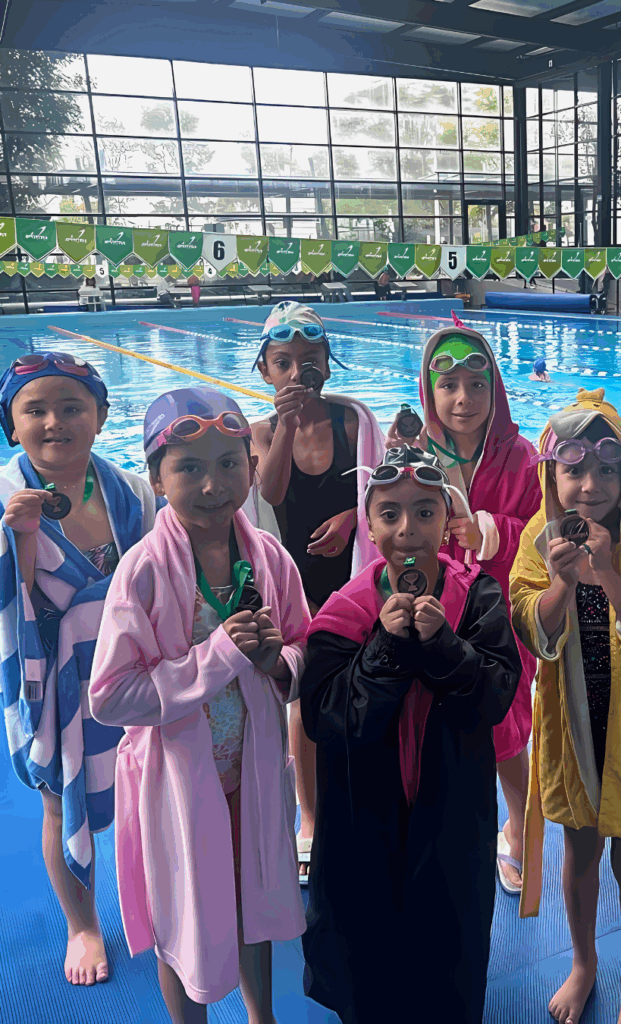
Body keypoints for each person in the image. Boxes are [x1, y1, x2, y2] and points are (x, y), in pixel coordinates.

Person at [89, 388, 309, 1024]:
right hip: (177, 785)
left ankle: (262, 1017)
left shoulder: (270, 558)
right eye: (189, 467)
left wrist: (277, 662)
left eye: (228, 463)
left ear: (252, 467)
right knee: (181, 918)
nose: (213, 484)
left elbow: (305, 644)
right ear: (156, 479)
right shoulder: (143, 572)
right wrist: (217, 656)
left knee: (253, 905)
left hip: (254, 772)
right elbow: (110, 694)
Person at [299, 445, 521, 1024]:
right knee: (367, 951)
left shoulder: (478, 598)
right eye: (390, 514)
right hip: (363, 821)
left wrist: (445, 646)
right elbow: (325, 720)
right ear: (369, 527)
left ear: (447, 521)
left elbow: (495, 697)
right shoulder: (343, 612)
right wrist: (386, 649)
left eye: (425, 512)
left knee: (450, 944)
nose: (407, 529)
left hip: (452, 815)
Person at [510, 387, 621, 1024]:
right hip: (573, 725)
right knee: (579, 852)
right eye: (574, 470)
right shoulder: (539, 536)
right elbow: (528, 624)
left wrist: (607, 571)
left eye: (606, 471)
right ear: (552, 476)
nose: (590, 486)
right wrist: (561, 582)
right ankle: (583, 963)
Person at [0, 351, 160, 986]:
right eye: (35, 409)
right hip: (50, 682)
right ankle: (83, 925)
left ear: (100, 416)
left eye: (72, 407)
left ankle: (159, 898)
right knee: (59, 803)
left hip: (129, 669)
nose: (54, 422)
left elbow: (158, 579)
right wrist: (19, 540)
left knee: (151, 786)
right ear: (11, 424)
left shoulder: (132, 491)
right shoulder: (3, 497)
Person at [385, 315, 542, 895]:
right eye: (448, 385)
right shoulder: (414, 455)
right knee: (432, 726)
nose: (463, 399)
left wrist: (490, 531)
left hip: (504, 615)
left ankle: (520, 828)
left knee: (506, 726)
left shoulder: (522, 457)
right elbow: (389, 528)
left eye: (477, 385)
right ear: (430, 391)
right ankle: (442, 828)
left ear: (494, 388)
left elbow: (542, 532)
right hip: (436, 607)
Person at [247, 301, 384, 883]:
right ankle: (309, 814)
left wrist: (354, 519)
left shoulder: (354, 424)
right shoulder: (260, 432)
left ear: (328, 363)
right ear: (265, 371)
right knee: (302, 698)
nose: (298, 371)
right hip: (294, 583)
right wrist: (285, 424)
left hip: (352, 576)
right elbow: (272, 494)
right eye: (283, 362)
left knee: (364, 684)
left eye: (310, 359)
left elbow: (381, 493)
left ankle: (367, 793)